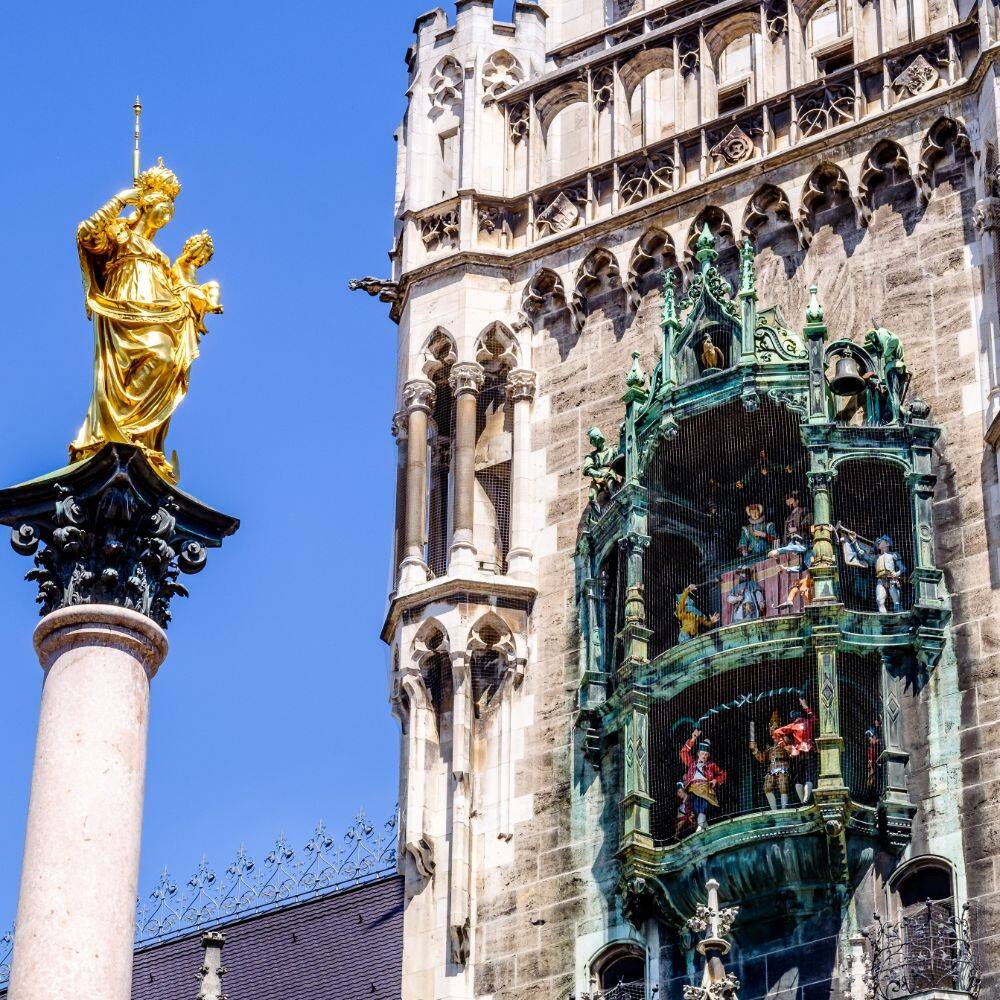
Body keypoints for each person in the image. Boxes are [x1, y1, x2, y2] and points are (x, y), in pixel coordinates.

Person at [71, 160, 221, 485]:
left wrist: (198, 301)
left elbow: (179, 290)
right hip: (123, 309)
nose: (164, 218)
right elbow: (86, 234)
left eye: (169, 214)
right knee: (150, 360)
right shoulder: (120, 234)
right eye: (160, 209)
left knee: (168, 358)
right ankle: (120, 432)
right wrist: (120, 200)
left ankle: (142, 439)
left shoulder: (163, 258)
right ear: (146, 204)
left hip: (158, 311)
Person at [679, 730, 727, 832]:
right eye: (702, 754)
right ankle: (704, 827)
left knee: (702, 805)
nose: (704, 756)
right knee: (696, 808)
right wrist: (693, 739)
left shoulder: (711, 765)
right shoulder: (692, 763)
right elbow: (683, 753)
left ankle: (701, 827)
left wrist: (715, 780)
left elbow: (723, 774)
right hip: (693, 788)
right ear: (698, 754)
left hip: (705, 788)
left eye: (706, 754)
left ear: (708, 756)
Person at [773, 698, 816, 803]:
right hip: (808, 749)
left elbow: (776, 732)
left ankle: (802, 800)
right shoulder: (808, 722)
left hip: (796, 752)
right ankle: (806, 798)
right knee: (809, 775)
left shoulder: (792, 726)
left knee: (798, 777)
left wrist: (784, 745)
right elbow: (815, 718)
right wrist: (806, 707)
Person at [749, 712, 792, 811]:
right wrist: (755, 750)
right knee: (767, 788)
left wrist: (784, 742)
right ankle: (774, 810)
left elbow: (790, 750)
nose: (772, 731)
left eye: (775, 729)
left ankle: (784, 809)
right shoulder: (769, 746)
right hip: (771, 767)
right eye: (771, 729)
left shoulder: (785, 740)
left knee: (783, 787)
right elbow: (762, 758)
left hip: (782, 766)